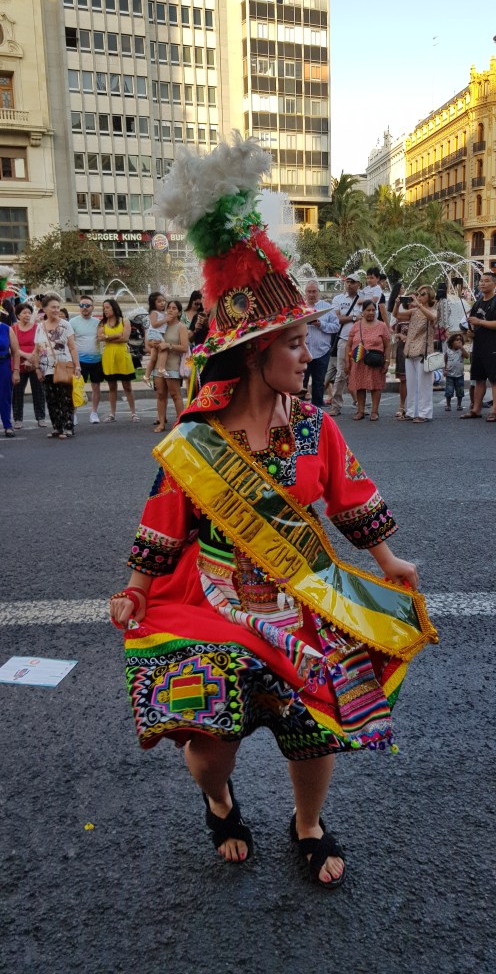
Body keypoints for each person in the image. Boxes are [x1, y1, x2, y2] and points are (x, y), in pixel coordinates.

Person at [110, 137, 437, 888]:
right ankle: (220, 799)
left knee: (313, 724)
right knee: (210, 741)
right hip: (212, 596)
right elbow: (163, 519)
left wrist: (389, 562)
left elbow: (351, 495)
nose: (307, 353)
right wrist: (135, 586)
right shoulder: (196, 441)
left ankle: (307, 822)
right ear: (255, 355)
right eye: (293, 343)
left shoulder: (315, 428)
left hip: (300, 595)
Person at [33, 294, 81, 438]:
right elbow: (36, 350)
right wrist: (37, 369)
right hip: (46, 368)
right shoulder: (40, 327)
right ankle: (57, 427)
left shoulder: (65, 325)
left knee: (65, 397)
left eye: (57, 307)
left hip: (64, 366)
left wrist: (77, 367)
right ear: (44, 309)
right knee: (51, 399)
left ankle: (68, 427)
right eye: (53, 307)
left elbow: (72, 347)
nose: (56, 310)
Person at [345, 300, 391, 421]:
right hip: (359, 360)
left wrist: (387, 362)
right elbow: (348, 345)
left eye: (373, 310)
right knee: (360, 386)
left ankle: (374, 412)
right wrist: (347, 361)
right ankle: (360, 411)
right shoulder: (356, 326)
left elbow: (388, 345)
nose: (371, 312)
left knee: (376, 386)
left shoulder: (382, 326)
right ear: (363, 312)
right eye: (368, 310)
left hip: (375, 360)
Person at [461, 271, 496, 422]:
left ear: (494, 284)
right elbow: (473, 324)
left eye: (486, 281)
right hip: (479, 346)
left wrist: (480, 322)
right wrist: (471, 332)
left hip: (493, 346)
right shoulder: (478, 303)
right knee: (479, 379)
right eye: (481, 280)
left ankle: (494, 410)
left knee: (494, 379)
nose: (482, 283)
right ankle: (476, 409)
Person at [97, 298, 139, 423]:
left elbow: (125, 338)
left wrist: (108, 337)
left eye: (107, 307)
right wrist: (116, 335)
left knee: (127, 385)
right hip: (109, 356)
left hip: (122, 355)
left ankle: (133, 413)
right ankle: (112, 413)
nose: (105, 310)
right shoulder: (102, 323)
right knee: (111, 386)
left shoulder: (124, 321)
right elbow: (100, 337)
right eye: (104, 308)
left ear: (114, 308)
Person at [327, 274, 362, 416]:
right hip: (343, 340)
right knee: (341, 373)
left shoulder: (363, 299)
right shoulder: (338, 299)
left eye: (352, 282)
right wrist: (354, 317)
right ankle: (336, 406)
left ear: (358, 284)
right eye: (347, 282)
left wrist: (347, 318)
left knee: (360, 372)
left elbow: (368, 317)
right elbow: (337, 319)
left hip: (360, 342)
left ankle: (361, 406)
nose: (349, 284)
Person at [401, 286, 438, 423]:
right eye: (418, 294)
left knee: (424, 385)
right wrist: (397, 304)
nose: (419, 296)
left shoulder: (433, 310)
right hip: (410, 350)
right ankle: (411, 411)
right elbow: (397, 315)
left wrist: (419, 305)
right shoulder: (414, 310)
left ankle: (424, 413)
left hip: (424, 351)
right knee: (411, 384)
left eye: (423, 294)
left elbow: (433, 317)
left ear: (430, 296)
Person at [302, 280, 339, 407]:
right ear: (305, 292)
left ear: (319, 292)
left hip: (322, 351)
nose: (311, 294)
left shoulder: (327, 307)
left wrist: (321, 324)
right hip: (303, 351)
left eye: (314, 291)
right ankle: (299, 409)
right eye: (309, 291)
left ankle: (317, 409)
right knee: (301, 381)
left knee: (319, 382)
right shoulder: (300, 308)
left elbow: (336, 327)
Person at [11, 301, 47, 428]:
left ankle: (41, 418)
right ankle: (18, 419)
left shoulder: (37, 327)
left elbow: (41, 345)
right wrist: (25, 356)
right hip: (18, 364)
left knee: (39, 391)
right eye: (24, 313)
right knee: (17, 393)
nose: (27, 315)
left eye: (29, 313)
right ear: (18, 315)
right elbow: (12, 348)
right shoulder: (13, 329)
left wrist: (31, 359)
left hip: (35, 363)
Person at [70, 295, 104, 424]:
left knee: (96, 386)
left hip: (96, 360)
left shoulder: (98, 323)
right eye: (82, 305)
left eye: (87, 305)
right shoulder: (73, 322)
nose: (84, 308)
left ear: (92, 307)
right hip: (80, 361)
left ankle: (94, 413)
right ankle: (74, 414)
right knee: (77, 387)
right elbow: (70, 342)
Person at [391, 284, 410, 419]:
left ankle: (414, 406)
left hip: (417, 350)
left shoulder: (420, 315)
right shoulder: (401, 316)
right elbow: (394, 332)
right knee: (403, 379)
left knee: (415, 380)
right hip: (402, 350)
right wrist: (400, 335)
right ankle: (402, 406)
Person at [143, 291, 168, 386]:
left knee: (153, 358)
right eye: (159, 301)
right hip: (155, 333)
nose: (162, 303)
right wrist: (165, 319)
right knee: (164, 348)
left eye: (163, 301)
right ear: (153, 304)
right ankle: (161, 368)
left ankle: (146, 376)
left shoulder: (162, 313)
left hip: (156, 334)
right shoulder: (154, 313)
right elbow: (154, 324)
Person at [0, 321, 20, 436]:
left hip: (4, 364)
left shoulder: (6, 329)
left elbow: (16, 352)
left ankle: (7, 425)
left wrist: (16, 371)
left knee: (5, 396)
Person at [444, 333, 468, 412]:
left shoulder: (461, 351)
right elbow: (445, 361)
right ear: (451, 342)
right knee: (449, 391)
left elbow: (467, 356)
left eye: (460, 340)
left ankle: (459, 404)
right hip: (450, 375)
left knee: (460, 391)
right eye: (457, 340)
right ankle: (448, 405)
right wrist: (444, 370)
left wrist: (462, 348)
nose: (459, 341)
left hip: (459, 375)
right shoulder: (448, 351)